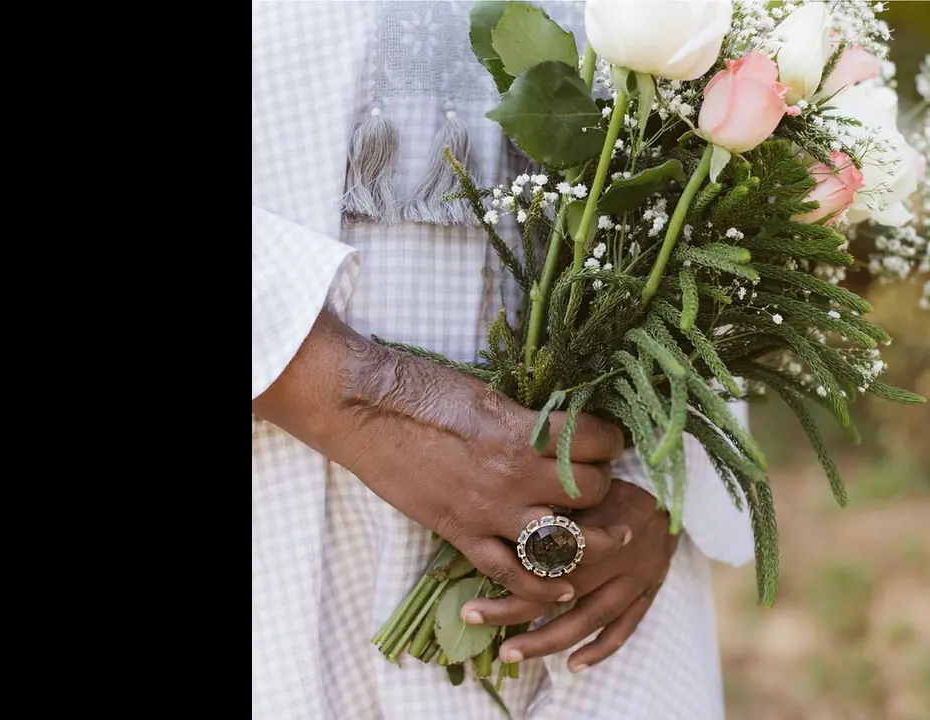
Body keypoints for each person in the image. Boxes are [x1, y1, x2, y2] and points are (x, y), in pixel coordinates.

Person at [252, 2, 753, 718]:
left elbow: (719, 192)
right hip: (289, 478)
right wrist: (344, 391)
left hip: (606, 515)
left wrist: (660, 478)